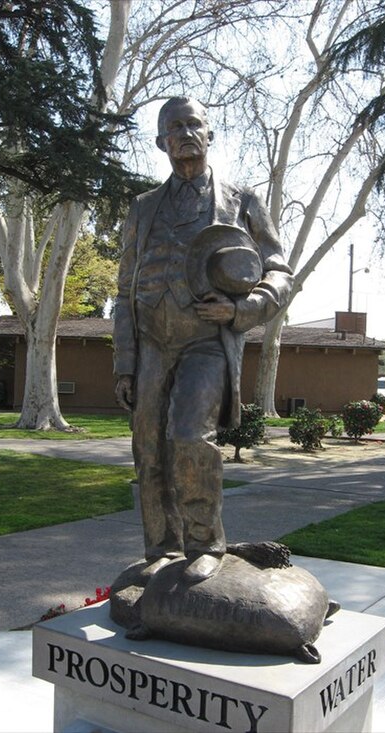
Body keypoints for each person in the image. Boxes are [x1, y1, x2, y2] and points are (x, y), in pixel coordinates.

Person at [113, 97, 293, 582]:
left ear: (210, 135)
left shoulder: (242, 200)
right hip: (151, 343)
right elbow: (125, 288)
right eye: (175, 126)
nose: (186, 133)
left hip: (205, 341)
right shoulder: (143, 208)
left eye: (195, 124)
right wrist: (124, 363)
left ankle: (203, 543)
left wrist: (240, 309)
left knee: (190, 437)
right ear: (161, 142)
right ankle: (161, 550)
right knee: (147, 447)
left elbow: (279, 272)